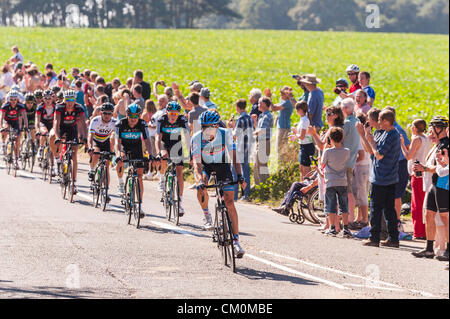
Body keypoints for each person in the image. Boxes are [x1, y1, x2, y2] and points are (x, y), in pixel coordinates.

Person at [191, 110, 246, 257]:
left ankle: (236, 241)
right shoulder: (196, 139)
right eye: (204, 127)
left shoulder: (226, 134)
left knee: (229, 201)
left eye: (210, 127)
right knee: (201, 186)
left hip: (223, 165)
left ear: (216, 126)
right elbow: (197, 164)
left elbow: (234, 157)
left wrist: (240, 176)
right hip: (206, 166)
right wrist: (198, 181)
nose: (206, 130)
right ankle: (207, 214)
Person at [357, 109, 400, 248]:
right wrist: (366, 136)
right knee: (388, 209)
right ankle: (393, 238)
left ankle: (374, 237)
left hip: (384, 178)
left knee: (376, 208)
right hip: (381, 176)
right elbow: (371, 151)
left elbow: (379, 154)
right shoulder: (383, 133)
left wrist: (371, 141)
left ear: (386, 121)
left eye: (380, 120)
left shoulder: (392, 135)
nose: (378, 123)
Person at [412, 116, 449, 261]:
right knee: (429, 215)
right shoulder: (439, 144)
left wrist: (425, 168)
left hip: (443, 185)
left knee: (445, 218)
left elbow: (442, 167)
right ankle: (429, 248)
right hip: (434, 185)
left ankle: (447, 250)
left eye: (432, 129)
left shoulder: (446, 145)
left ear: (438, 128)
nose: (430, 132)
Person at [115, 103, 153, 217]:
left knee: (140, 176)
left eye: (136, 116)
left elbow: (147, 141)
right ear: (126, 115)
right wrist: (118, 154)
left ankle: (139, 205)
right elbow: (117, 142)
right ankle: (121, 182)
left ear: (139, 116)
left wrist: (150, 154)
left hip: (137, 148)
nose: (133, 119)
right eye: (131, 116)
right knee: (121, 160)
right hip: (124, 148)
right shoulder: (120, 123)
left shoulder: (142, 123)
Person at [155, 101, 190, 215]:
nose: (173, 116)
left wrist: (189, 152)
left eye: (175, 114)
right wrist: (159, 151)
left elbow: (187, 136)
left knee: (179, 172)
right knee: (163, 157)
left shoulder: (182, 120)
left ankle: (179, 202)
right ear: (167, 112)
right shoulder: (162, 119)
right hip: (164, 143)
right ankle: (161, 178)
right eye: (171, 113)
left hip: (176, 144)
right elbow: (157, 138)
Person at [318, 126, 351, 237]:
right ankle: (346, 228)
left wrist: (326, 148)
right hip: (342, 181)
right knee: (344, 205)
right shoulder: (346, 151)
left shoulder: (327, 152)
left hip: (330, 181)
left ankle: (332, 228)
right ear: (342, 138)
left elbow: (323, 164)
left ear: (330, 138)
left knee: (331, 205)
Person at [52, 90, 88, 194]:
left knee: (74, 154)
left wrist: (84, 139)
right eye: (68, 100)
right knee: (52, 136)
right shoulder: (59, 107)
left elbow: (83, 124)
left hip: (72, 129)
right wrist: (58, 137)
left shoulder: (79, 108)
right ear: (64, 100)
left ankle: (74, 182)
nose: (70, 102)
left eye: (72, 100)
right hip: (61, 128)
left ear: (75, 100)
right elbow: (56, 123)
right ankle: (58, 159)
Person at [400, 119, 431, 239]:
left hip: (416, 174)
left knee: (416, 205)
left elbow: (408, 156)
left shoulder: (416, 139)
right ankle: (424, 230)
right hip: (424, 174)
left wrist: (402, 143)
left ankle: (419, 232)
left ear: (415, 128)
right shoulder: (427, 138)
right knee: (423, 203)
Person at [87, 102, 117, 203]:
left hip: (106, 142)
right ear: (101, 113)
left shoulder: (114, 122)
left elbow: (117, 138)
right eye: (105, 113)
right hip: (96, 141)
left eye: (109, 114)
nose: (107, 116)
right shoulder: (95, 121)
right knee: (96, 153)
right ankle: (92, 170)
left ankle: (106, 191)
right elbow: (90, 136)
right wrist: (90, 147)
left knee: (107, 166)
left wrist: (116, 151)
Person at [340, 98, 361, 226]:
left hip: (345, 161)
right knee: (349, 190)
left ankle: (350, 218)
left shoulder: (347, 123)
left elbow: (340, 139)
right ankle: (350, 217)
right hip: (353, 160)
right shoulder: (357, 121)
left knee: (347, 191)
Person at [228, 99, 253, 201]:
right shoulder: (249, 118)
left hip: (239, 148)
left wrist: (231, 127)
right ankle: (246, 194)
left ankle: (234, 196)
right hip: (247, 147)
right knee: (246, 171)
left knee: (234, 171)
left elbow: (235, 135)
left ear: (237, 107)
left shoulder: (240, 119)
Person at [352, 112, 371, 228]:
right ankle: (359, 217)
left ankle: (364, 219)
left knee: (362, 195)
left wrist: (352, 162)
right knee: (362, 194)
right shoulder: (367, 134)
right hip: (367, 167)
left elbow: (361, 156)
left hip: (362, 167)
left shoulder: (360, 137)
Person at [1, 91, 27, 166]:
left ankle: (16, 160)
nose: (13, 101)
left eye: (15, 100)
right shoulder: (5, 106)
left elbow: (25, 117)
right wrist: (1, 127)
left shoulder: (20, 106)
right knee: (5, 129)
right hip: (7, 121)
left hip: (15, 122)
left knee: (17, 140)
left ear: (17, 99)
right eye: (11, 99)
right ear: (9, 99)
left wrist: (26, 126)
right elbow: (1, 117)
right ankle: (5, 147)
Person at [271, 86, 295, 163]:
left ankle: (282, 164)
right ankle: (282, 163)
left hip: (283, 128)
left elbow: (274, 108)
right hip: (283, 127)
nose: (281, 96)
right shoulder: (285, 102)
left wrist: (268, 98)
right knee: (281, 147)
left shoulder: (287, 103)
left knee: (281, 147)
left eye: (282, 94)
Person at [291, 101, 314, 178]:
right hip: (302, 145)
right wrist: (295, 135)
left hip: (307, 146)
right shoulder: (302, 119)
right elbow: (300, 135)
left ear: (301, 110)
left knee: (306, 170)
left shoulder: (304, 120)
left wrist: (295, 133)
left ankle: (307, 187)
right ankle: (302, 186)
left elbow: (302, 136)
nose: (296, 111)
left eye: (297, 109)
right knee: (301, 169)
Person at [253, 97, 273, 185]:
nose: (258, 105)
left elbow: (261, 130)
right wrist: (254, 122)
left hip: (264, 142)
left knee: (262, 165)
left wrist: (251, 133)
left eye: (260, 103)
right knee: (257, 164)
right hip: (260, 142)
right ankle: (259, 185)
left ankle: (265, 185)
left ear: (265, 104)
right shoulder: (262, 115)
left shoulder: (267, 116)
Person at [36, 89, 56, 170]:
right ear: (43, 99)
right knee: (44, 132)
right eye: (46, 98)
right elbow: (37, 120)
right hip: (43, 123)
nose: (48, 100)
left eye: (49, 98)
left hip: (52, 124)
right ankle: (41, 148)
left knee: (52, 147)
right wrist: (38, 130)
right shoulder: (40, 107)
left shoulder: (56, 107)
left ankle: (52, 166)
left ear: (53, 98)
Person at [142, 100, 157, 180]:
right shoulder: (156, 113)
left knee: (146, 153)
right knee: (153, 154)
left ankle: (148, 171)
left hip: (147, 135)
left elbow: (143, 124)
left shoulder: (145, 114)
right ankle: (153, 171)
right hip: (155, 135)